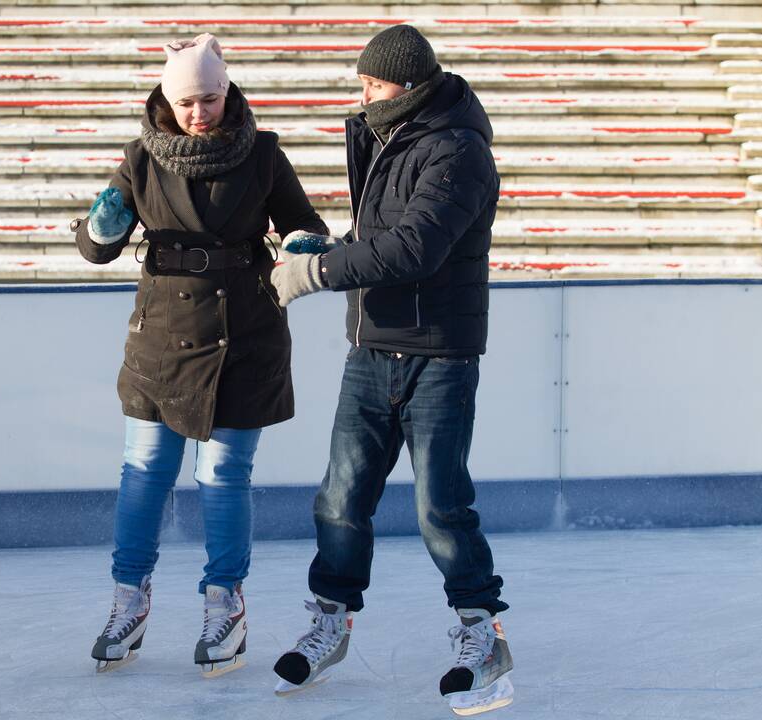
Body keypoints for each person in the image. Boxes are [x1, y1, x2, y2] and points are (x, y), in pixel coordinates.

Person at [267, 25, 514, 714]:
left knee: (440, 505)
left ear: (406, 86)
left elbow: (414, 249)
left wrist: (317, 272)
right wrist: (328, 246)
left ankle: (480, 632)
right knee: (341, 497)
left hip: (438, 352)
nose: (363, 94)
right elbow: (378, 242)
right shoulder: (388, 138)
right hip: (372, 347)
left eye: (373, 84)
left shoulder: (460, 150)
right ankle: (330, 621)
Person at [71, 33, 329, 678]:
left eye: (210, 99)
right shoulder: (140, 158)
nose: (198, 113)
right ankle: (128, 598)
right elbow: (97, 248)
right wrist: (100, 224)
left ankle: (225, 601)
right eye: (186, 101)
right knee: (145, 471)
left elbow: (307, 224)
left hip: (242, 334)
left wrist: (299, 243)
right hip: (161, 334)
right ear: (165, 96)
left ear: (227, 93)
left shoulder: (263, 153)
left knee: (223, 477)